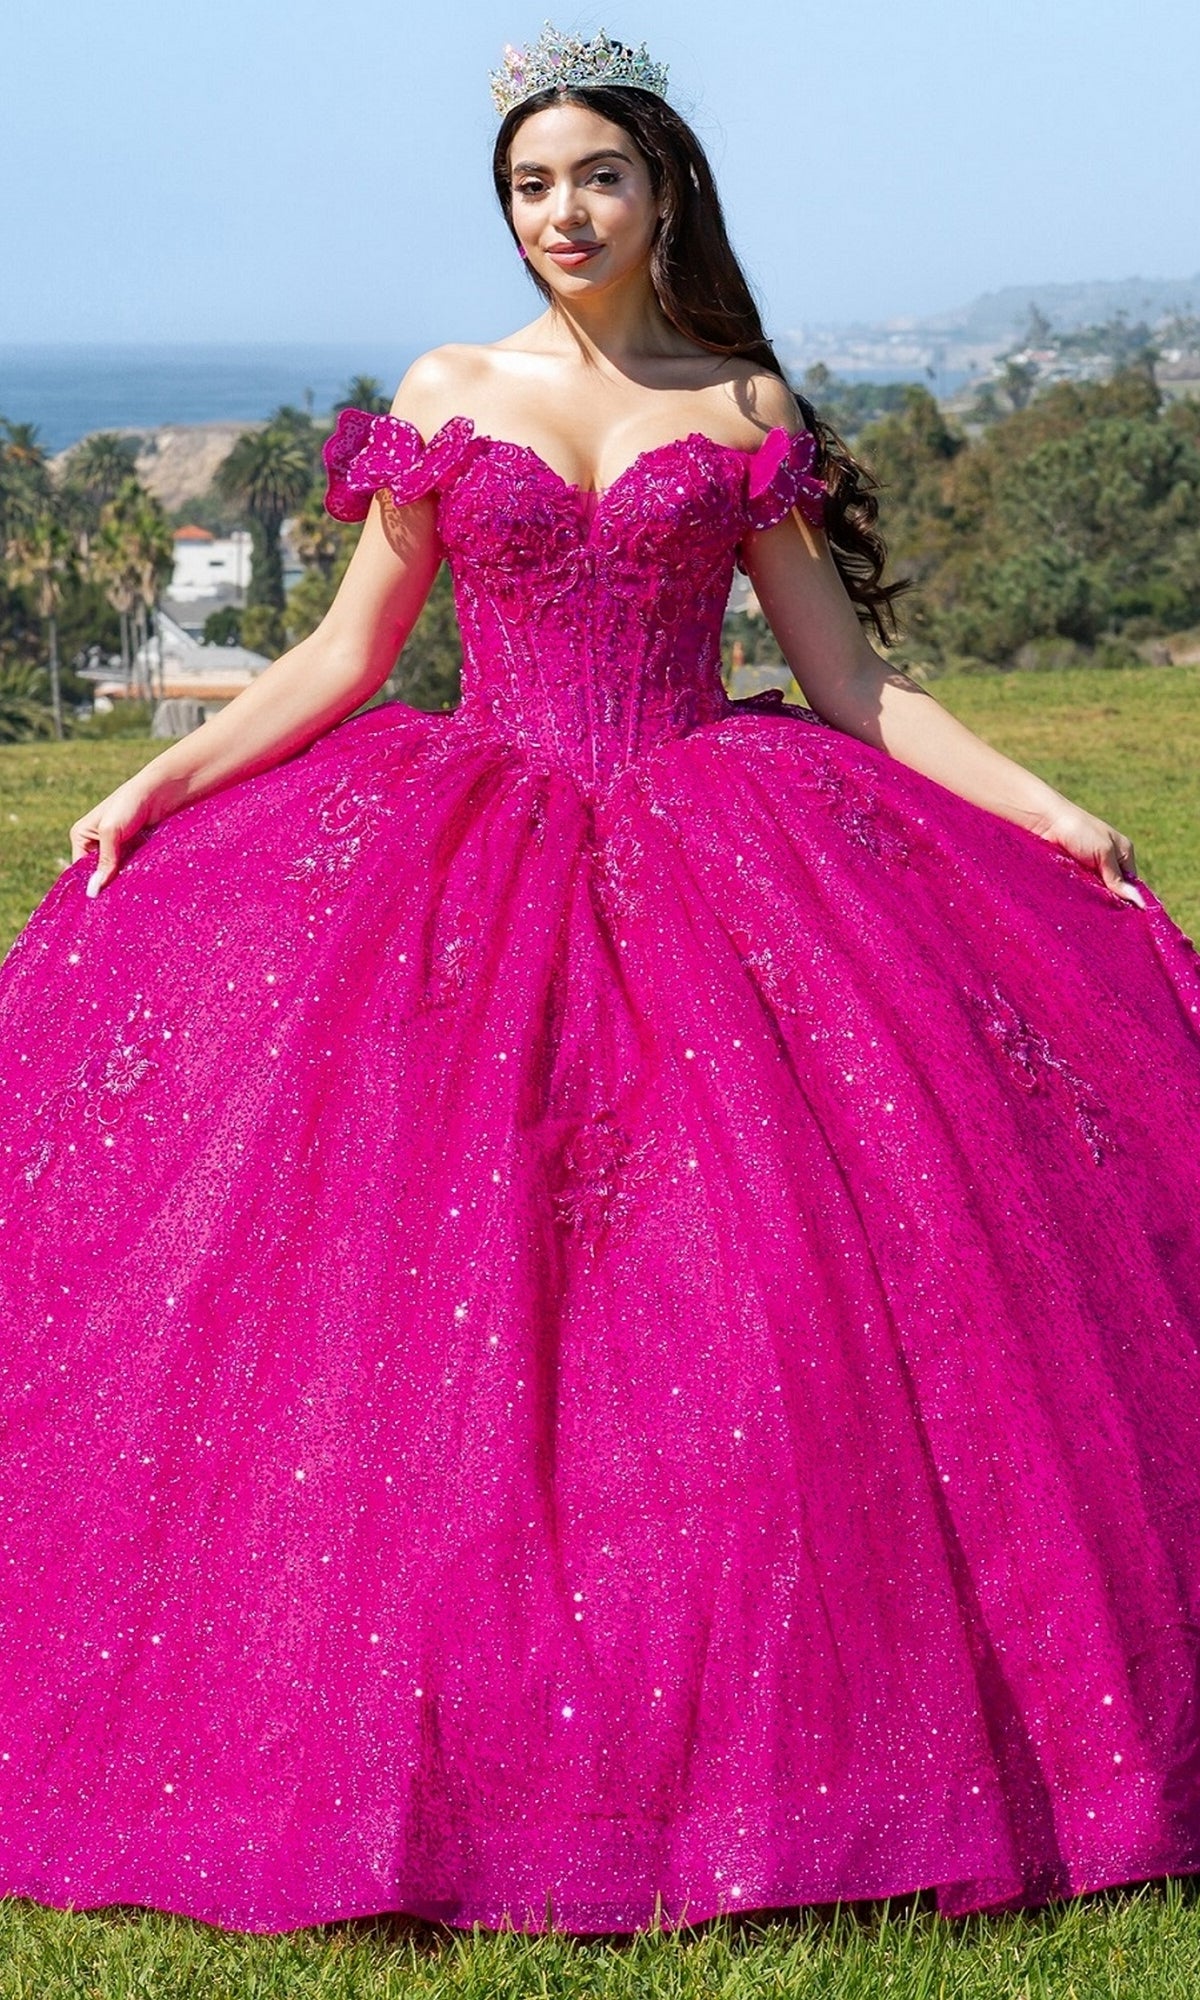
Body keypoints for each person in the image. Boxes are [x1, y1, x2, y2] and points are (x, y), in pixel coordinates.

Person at [2, 21, 1200, 1942]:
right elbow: (345, 660)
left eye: (597, 177)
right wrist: (155, 779)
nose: (563, 213)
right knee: (433, 1289)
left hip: (718, 837)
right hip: (469, 848)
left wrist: (1051, 807)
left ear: (665, 189)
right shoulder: (448, 389)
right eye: (531, 186)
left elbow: (851, 684)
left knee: (754, 1279)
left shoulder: (741, 407)